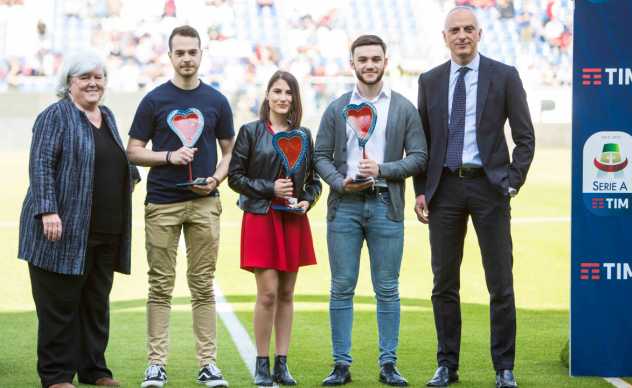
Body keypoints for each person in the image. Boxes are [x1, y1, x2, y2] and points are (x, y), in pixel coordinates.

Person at [413, 6, 535, 388]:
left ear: (480, 34)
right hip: (444, 189)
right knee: (443, 283)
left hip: (489, 188)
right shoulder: (430, 80)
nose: (462, 35)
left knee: (500, 282)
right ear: (444, 37)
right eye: (455, 30)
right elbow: (424, 142)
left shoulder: (504, 76)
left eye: (469, 29)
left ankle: (504, 368)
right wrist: (420, 190)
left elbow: (525, 137)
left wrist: (511, 181)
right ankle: (446, 366)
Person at [18, 50, 139, 388]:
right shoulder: (55, 115)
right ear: (69, 83)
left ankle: (94, 370)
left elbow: (114, 158)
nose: (92, 83)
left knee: (95, 304)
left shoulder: (108, 115)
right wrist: (48, 210)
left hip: (104, 232)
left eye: (98, 77)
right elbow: (40, 164)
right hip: (61, 230)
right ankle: (57, 375)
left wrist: (129, 177)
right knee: (59, 306)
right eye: (84, 77)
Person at [314, 34, 427, 387]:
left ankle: (388, 364)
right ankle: (341, 365)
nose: (369, 65)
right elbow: (320, 156)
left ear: (385, 61)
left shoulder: (403, 107)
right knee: (341, 287)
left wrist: (383, 170)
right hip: (344, 207)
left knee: (388, 288)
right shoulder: (336, 108)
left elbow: (419, 157)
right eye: (362, 59)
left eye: (375, 59)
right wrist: (339, 182)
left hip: (385, 204)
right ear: (352, 64)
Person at [126, 25, 235, 388]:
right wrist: (169, 155)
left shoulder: (217, 100)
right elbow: (133, 150)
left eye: (192, 52)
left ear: (201, 54)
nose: (186, 58)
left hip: (205, 204)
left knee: (202, 286)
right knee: (160, 286)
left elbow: (230, 152)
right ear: (170, 56)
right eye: (180, 52)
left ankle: (208, 364)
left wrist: (216, 180)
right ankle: (156, 365)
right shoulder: (154, 100)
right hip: (162, 204)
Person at [228, 70, 322, 386]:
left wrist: (306, 201)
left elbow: (313, 182)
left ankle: (282, 364)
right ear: (267, 95)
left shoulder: (304, 135)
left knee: (287, 293)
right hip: (260, 217)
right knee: (267, 294)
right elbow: (235, 178)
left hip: (292, 220)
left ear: (294, 98)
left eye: (289, 92)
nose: (283, 97)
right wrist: (271, 189)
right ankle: (261, 363)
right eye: (277, 91)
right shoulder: (251, 132)